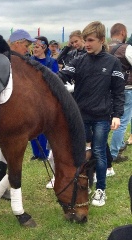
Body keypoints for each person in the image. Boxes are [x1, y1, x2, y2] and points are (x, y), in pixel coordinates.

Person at [58, 21, 125, 207]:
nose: (86, 44)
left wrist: (117, 115)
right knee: (82, 153)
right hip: (81, 117)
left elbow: (119, 92)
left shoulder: (113, 63)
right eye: (85, 40)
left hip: (102, 118)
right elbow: (61, 76)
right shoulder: (79, 60)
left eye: (90, 40)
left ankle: (101, 190)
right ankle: (85, 183)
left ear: (102, 40)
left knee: (98, 152)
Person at [0, 29, 36, 199]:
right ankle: (0, 185)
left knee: (2, 152)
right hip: (4, 116)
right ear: (16, 43)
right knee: (3, 151)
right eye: (26, 45)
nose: (27, 49)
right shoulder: (8, 64)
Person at [30, 36, 58, 163]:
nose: (34, 49)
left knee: (44, 127)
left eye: (36, 46)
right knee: (32, 126)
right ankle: (36, 153)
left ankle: (44, 153)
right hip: (31, 99)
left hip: (45, 100)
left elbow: (56, 80)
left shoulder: (51, 62)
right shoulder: (28, 61)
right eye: (33, 46)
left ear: (44, 47)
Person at [108, 23, 132, 163]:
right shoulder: (126, 49)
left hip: (108, 88)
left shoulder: (105, 48)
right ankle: (114, 153)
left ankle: (120, 144)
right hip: (126, 89)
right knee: (122, 122)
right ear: (122, 32)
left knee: (109, 120)